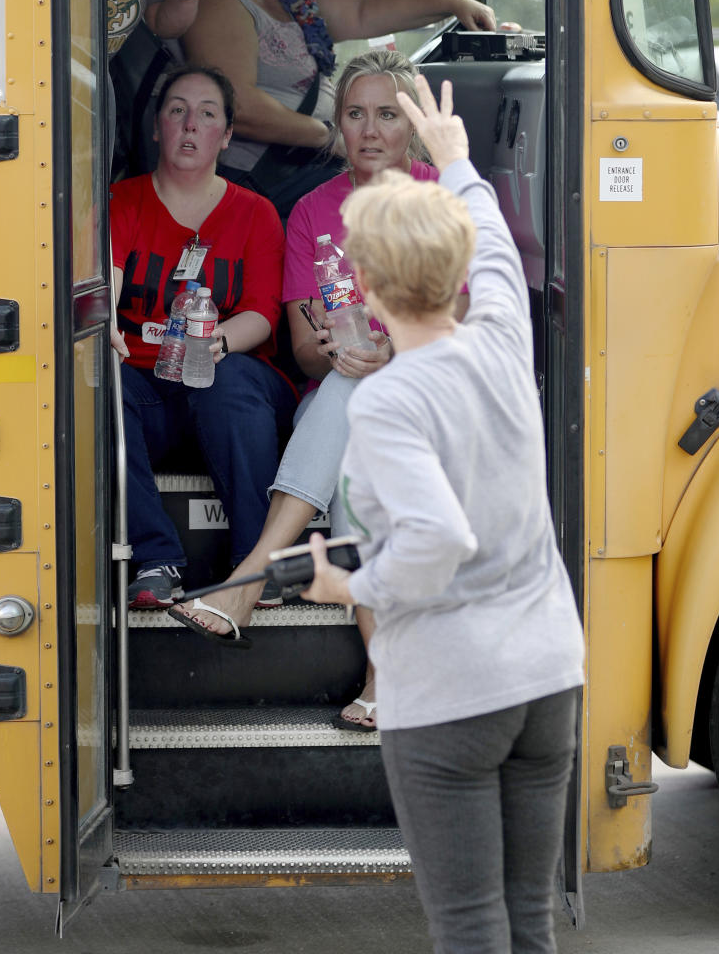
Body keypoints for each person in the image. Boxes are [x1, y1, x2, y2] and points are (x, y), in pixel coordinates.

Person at [301, 76, 586, 953]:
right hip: (548, 675)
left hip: (453, 687)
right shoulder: (504, 340)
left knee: (466, 925)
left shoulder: (388, 402)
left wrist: (345, 581)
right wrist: (456, 160)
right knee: (528, 916)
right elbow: (497, 247)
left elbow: (434, 541)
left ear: (371, 283)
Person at [167, 49, 462, 701]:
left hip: (430, 401)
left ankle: (253, 574)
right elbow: (301, 350)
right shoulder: (312, 213)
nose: (371, 130)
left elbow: (458, 332)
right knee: (358, 418)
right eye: (355, 114)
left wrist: (391, 358)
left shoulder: (441, 201)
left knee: (368, 409)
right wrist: (337, 352)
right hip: (333, 401)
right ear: (339, 124)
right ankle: (382, 677)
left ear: (410, 126)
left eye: (387, 114)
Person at [182, 0, 496, 218]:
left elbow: (361, 11)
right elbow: (238, 107)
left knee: (427, 185)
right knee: (412, 203)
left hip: (314, 161)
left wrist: (452, 3)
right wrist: (331, 138)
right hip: (268, 179)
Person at [111, 64, 296, 615]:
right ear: (156, 127)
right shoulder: (123, 201)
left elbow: (264, 314)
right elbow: (110, 281)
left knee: (228, 376)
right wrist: (107, 334)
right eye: (176, 111)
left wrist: (214, 343)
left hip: (229, 394)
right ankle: (156, 561)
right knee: (98, 379)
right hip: (146, 391)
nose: (190, 125)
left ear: (227, 135)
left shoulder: (256, 212)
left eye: (207, 115)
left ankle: (253, 566)